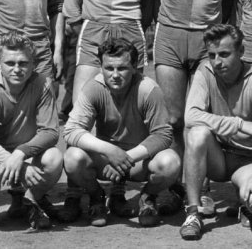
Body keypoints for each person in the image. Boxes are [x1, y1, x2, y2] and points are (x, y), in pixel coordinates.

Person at [60, 0, 154, 219]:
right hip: (93, 33)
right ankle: (77, 192)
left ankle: (117, 190)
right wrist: (89, 32)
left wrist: (128, 29)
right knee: (81, 113)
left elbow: (149, 7)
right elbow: (71, 8)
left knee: (127, 116)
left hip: (130, 33)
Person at [153, 0, 238, 214]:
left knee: (200, 119)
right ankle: (173, 186)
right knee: (174, 119)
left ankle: (201, 189)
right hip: (170, 40)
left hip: (207, 43)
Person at [63, 38, 180, 227]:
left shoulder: (148, 89)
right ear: (101, 67)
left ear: (134, 67)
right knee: (72, 157)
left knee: (170, 162)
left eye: (122, 68)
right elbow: (71, 130)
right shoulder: (94, 88)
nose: (115, 75)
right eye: (109, 68)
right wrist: (110, 150)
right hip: (106, 161)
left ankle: (147, 197)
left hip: (137, 161)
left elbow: (163, 134)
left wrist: (128, 157)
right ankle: (97, 196)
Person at [179, 24, 252, 240]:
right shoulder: (205, 71)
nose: (217, 61)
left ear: (241, 51)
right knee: (196, 133)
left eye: (224, 54)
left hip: (248, 160)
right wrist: (239, 124)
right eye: (212, 55)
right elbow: (191, 116)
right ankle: (193, 212)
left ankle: (244, 203)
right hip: (219, 158)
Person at [0, 31, 62, 229]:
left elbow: (51, 132)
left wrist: (20, 154)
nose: (17, 69)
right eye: (10, 63)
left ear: (33, 63)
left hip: (26, 151)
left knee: (54, 158)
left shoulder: (43, 83)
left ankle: (29, 200)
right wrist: (18, 165)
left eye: (23, 63)